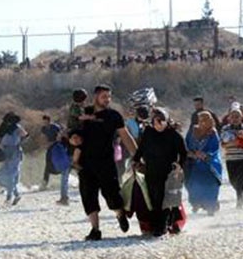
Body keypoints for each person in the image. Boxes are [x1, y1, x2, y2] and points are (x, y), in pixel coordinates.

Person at [77, 84, 137, 241]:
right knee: (88, 195)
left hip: (106, 161)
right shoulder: (85, 114)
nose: (107, 100)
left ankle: (120, 213)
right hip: (86, 162)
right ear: (96, 97)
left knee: (112, 193)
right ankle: (95, 230)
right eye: (104, 96)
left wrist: (136, 156)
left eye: (109, 97)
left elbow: (125, 136)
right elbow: (74, 133)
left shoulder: (113, 116)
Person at [133, 107, 187, 237]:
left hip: (169, 172)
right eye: (155, 121)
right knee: (153, 199)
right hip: (151, 170)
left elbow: (183, 153)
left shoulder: (174, 135)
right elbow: (141, 148)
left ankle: (162, 227)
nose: (158, 124)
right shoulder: (148, 133)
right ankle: (159, 225)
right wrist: (135, 161)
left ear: (167, 121)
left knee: (165, 199)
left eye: (161, 121)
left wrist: (180, 165)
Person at [185, 111, 222, 215]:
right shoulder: (192, 131)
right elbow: (186, 144)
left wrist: (206, 154)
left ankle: (211, 206)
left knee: (211, 186)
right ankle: (197, 204)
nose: (203, 122)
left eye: (206, 120)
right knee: (193, 185)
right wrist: (192, 153)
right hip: (195, 164)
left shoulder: (212, 132)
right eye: (201, 120)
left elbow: (215, 147)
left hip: (210, 164)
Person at [0, 112, 28, 205]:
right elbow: (26, 136)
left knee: (10, 175)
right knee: (9, 175)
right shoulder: (16, 127)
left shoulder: (4, 128)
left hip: (10, 152)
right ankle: (15, 195)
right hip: (12, 152)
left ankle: (9, 197)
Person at [221, 109, 243, 209]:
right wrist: (234, 142)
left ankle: (240, 200)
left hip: (242, 158)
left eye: (237, 117)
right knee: (232, 180)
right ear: (229, 118)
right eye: (233, 117)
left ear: (241, 118)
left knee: (240, 178)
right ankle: (241, 192)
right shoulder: (225, 128)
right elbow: (223, 144)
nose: (235, 119)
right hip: (229, 158)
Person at [40, 115, 63, 191]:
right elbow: (44, 137)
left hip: (57, 147)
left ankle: (65, 179)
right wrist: (45, 144)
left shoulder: (55, 127)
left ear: (49, 121)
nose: (45, 123)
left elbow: (60, 137)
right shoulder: (43, 128)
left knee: (59, 162)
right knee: (47, 164)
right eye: (44, 122)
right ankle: (44, 183)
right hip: (50, 147)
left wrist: (51, 143)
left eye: (46, 122)